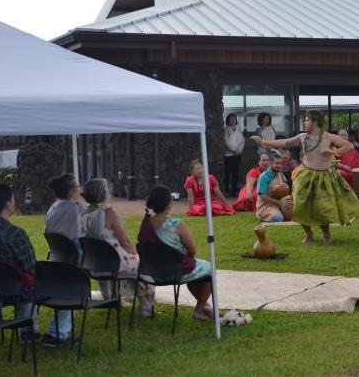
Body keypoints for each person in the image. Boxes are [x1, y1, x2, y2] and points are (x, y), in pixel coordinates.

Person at [251, 110, 359, 245]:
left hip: (324, 177)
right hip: (305, 175)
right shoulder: (303, 137)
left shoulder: (328, 137)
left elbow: (349, 145)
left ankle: (326, 234)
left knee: (323, 207)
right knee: (299, 206)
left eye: (307, 120)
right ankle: (309, 234)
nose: (305, 122)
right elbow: (284, 142)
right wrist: (263, 142)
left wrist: (333, 151)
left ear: (314, 122)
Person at [79, 179, 154, 315]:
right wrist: (136, 255)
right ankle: (146, 307)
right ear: (105, 194)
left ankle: (111, 298)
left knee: (126, 264)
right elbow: (125, 241)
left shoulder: (82, 215)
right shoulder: (108, 213)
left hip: (93, 264)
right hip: (113, 263)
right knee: (143, 266)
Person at [138, 186, 213, 320]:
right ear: (169, 203)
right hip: (174, 271)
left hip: (150, 272)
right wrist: (188, 260)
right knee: (208, 268)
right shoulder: (176, 223)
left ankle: (204, 305)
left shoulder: (145, 223)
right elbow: (192, 251)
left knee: (195, 268)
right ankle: (199, 309)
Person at [42, 173, 85, 347]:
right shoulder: (76, 209)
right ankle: (57, 334)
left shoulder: (53, 208)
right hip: (74, 260)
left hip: (57, 257)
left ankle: (57, 332)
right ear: (71, 191)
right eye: (78, 186)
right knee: (73, 290)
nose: (80, 189)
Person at [0, 183, 39, 343]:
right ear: (8, 204)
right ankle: (28, 331)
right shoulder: (15, 234)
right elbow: (30, 266)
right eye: (13, 199)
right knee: (32, 281)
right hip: (15, 290)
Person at [256, 150, 294, 222]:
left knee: (292, 215)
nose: (279, 166)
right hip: (266, 205)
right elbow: (262, 196)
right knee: (279, 218)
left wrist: (289, 201)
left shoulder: (280, 174)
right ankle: (262, 215)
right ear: (271, 163)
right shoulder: (263, 177)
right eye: (277, 163)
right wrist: (280, 203)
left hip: (279, 202)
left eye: (280, 163)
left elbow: (284, 191)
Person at [223, 113, 245, 197]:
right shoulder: (226, 129)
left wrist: (240, 150)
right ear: (228, 120)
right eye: (230, 119)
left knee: (235, 173)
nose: (232, 120)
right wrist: (233, 150)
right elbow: (226, 142)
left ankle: (234, 190)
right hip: (228, 155)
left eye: (234, 119)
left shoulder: (238, 129)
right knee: (227, 173)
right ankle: (226, 190)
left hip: (238, 154)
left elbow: (243, 140)